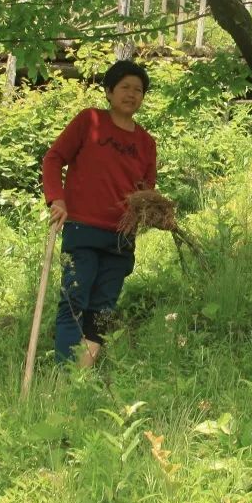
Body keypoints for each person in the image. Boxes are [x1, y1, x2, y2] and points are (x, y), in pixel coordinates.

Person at [42, 60, 157, 368]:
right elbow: (54, 159)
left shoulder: (146, 143)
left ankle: (81, 376)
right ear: (108, 91)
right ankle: (65, 377)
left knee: (103, 310)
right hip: (82, 228)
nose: (131, 94)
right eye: (124, 87)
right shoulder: (88, 120)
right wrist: (57, 199)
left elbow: (146, 192)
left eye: (138, 90)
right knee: (74, 302)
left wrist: (155, 213)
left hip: (120, 238)